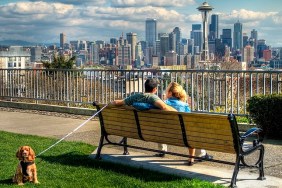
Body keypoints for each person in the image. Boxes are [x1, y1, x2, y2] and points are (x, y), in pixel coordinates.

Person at [161, 82, 213, 165]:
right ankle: (193, 158)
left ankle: (161, 150)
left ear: (170, 93)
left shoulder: (162, 104)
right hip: (182, 135)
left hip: (164, 134)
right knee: (192, 132)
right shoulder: (184, 105)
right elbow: (190, 122)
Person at [111, 78, 177, 111]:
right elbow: (164, 107)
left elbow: (118, 102)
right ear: (154, 89)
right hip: (153, 129)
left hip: (139, 128)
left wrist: (108, 104)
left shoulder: (135, 97)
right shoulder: (152, 98)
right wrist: (177, 112)